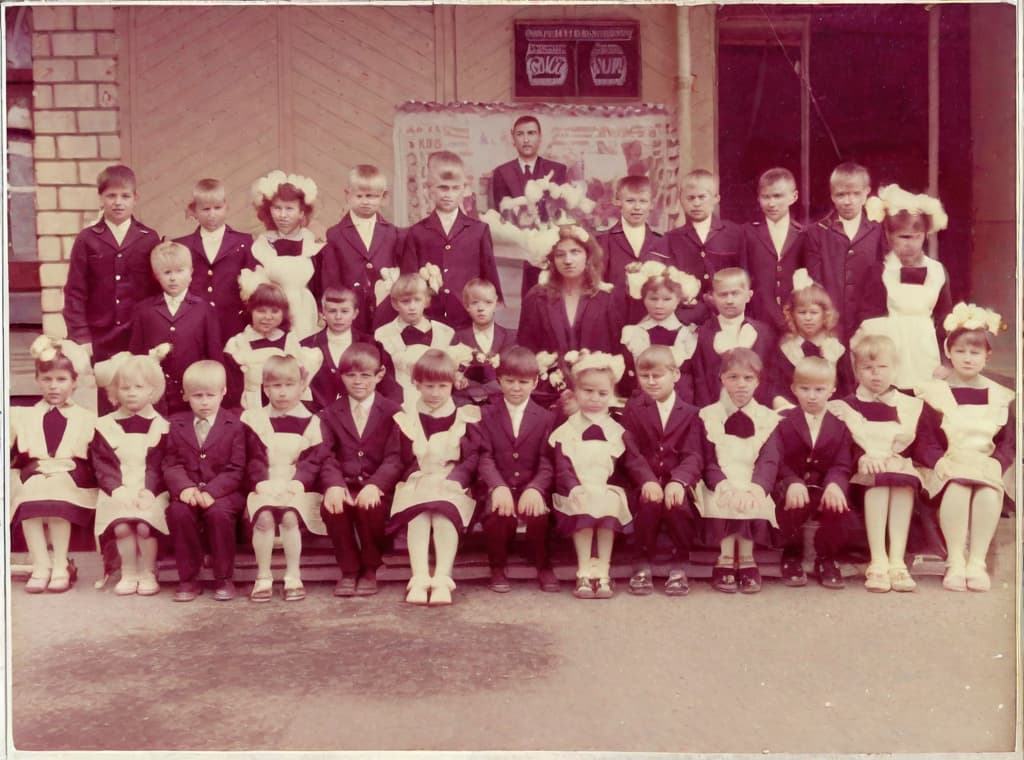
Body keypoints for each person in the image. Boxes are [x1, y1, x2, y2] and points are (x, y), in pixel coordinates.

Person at [827, 334, 943, 593]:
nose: (875, 375)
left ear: (895, 369)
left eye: (882, 368)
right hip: (862, 478)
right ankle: (877, 560)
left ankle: (897, 560)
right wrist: (861, 457)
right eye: (867, 368)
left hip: (900, 472)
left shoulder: (910, 406)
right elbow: (842, 446)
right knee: (879, 482)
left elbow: (924, 445)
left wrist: (942, 463)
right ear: (856, 371)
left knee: (903, 481)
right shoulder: (846, 406)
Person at [915, 304, 1014, 592]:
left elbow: (1007, 441)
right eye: (960, 352)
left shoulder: (1000, 395)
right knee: (958, 487)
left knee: (986, 489)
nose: (967, 359)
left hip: (985, 462)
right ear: (948, 352)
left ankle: (977, 562)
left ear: (987, 356)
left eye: (975, 353)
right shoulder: (935, 392)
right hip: (948, 462)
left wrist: (999, 461)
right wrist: (937, 461)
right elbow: (925, 439)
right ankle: (956, 560)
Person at [62, 164, 161, 412]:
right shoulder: (87, 239)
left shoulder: (148, 237)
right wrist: (81, 336)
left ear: (135, 198)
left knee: (137, 393)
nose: (118, 202)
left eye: (125, 196)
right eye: (111, 196)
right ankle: (109, 448)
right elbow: (75, 291)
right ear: (100, 198)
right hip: (101, 335)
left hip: (137, 333)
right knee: (108, 399)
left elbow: (155, 291)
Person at [548, 352, 646, 599]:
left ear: (611, 394)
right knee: (584, 503)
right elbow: (562, 467)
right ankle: (583, 569)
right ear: (576, 392)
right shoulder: (566, 429)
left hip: (605, 489)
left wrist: (649, 481)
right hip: (577, 490)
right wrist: (573, 487)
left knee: (607, 503)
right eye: (587, 391)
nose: (594, 399)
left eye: (602, 394)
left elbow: (634, 461)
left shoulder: (617, 430)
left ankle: (603, 569)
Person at [388, 349, 482, 606]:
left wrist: (457, 478)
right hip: (418, 479)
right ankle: (419, 576)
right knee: (419, 514)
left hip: (452, 482)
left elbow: (473, 457)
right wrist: (415, 474)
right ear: (416, 384)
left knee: (442, 513)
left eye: (443, 386)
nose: (436, 393)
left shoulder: (464, 415)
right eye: (429, 386)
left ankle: (442, 576)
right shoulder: (406, 417)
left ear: (453, 384)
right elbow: (399, 456)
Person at [10, 337, 97, 593]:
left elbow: (96, 456)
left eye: (61, 380)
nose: (53, 387)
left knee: (56, 490)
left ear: (74, 383)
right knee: (31, 491)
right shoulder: (23, 415)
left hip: (72, 474)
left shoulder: (86, 417)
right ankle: (41, 564)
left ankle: (60, 564)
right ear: (37, 380)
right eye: (46, 379)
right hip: (36, 472)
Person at [472, 346, 560, 593]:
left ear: (535, 382)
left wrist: (536, 488)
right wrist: (497, 486)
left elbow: (547, 462)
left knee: (539, 514)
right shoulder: (486, 414)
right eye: (509, 381)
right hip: (499, 483)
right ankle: (497, 566)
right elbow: (484, 457)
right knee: (498, 513)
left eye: (523, 382)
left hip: (530, 484)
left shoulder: (546, 418)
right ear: (499, 381)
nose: (516, 388)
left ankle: (543, 564)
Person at [319, 343, 404, 597]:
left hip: (377, 484)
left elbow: (395, 458)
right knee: (334, 506)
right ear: (341, 376)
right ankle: (349, 569)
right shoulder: (329, 413)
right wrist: (334, 484)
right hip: (343, 482)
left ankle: (370, 566)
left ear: (379, 375)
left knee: (371, 506)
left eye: (365, 375)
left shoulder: (392, 412)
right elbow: (325, 455)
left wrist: (375, 485)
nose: (358, 382)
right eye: (350, 375)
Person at [242, 355, 327, 602]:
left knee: (290, 517)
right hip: (265, 483)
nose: (282, 393)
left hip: (296, 485)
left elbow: (312, 460)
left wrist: (298, 482)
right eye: (275, 386)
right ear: (266, 388)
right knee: (265, 518)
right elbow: (252, 458)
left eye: (289, 385)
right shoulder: (253, 419)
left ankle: (293, 574)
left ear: (301, 386)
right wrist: (260, 483)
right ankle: (263, 575)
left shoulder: (312, 421)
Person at [697, 348, 781, 594]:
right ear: (721, 378)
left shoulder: (767, 418)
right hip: (719, 479)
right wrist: (723, 484)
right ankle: (724, 557)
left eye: (748, 378)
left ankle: (746, 557)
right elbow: (707, 460)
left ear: (758, 381)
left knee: (749, 495)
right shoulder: (708, 415)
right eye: (733, 377)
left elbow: (769, 460)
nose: (741, 384)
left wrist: (756, 488)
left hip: (752, 478)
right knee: (725, 496)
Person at [853, 184, 953, 389]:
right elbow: (869, 320)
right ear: (889, 236)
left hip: (925, 351)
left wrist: (947, 361)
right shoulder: (880, 271)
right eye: (904, 237)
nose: (911, 244)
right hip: (890, 353)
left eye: (918, 236)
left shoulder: (937, 271)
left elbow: (945, 319)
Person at [620, 346, 703, 596]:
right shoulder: (633, 409)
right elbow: (631, 452)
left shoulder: (690, 413)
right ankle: (641, 562)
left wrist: (679, 481)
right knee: (648, 502)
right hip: (643, 482)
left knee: (677, 504)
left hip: (675, 482)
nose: (651, 382)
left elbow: (694, 454)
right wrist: (646, 480)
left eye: (658, 375)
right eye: (645, 376)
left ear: (675, 374)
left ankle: (680, 563)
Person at [163, 360, 247, 602]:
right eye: (197, 396)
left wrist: (212, 491)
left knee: (218, 513)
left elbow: (236, 468)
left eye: (210, 395)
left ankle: (223, 577)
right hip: (189, 489)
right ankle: (188, 578)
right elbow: (171, 463)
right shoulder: (177, 424)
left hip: (225, 492)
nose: (204, 402)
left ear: (223, 392)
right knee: (179, 511)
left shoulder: (234, 425)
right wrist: (185, 487)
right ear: (186, 395)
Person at [90, 352, 170, 596]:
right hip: (117, 487)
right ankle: (129, 570)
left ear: (152, 390)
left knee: (145, 527)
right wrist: (117, 489)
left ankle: (148, 571)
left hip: (151, 488)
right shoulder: (104, 425)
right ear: (115, 391)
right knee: (122, 526)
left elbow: (159, 464)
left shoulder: (162, 426)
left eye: (139, 387)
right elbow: (102, 464)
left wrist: (149, 491)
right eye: (125, 387)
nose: (132, 392)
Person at [773, 356, 855, 589]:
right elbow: (777, 459)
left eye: (819, 389)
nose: (811, 396)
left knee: (838, 504)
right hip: (791, 486)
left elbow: (841, 464)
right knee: (794, 503)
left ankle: (826, 557)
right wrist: (791, 481)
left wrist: (834, 484)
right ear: (793, 390)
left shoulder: (839, 425)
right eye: (804, 389)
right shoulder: (783, 422)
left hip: (822, 486)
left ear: (832, 390)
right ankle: (791, 553)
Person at [517, 224, 621, 406]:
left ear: (588, 256)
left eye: (575, 252)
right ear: (552, 260)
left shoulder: (606, 299)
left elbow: (615, 351)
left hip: (595, 396)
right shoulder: (537, 298)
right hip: (548, 394)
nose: (568, 260)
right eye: (560, 254)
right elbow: (526, 350)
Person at [402, 150, 503, 330]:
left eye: (455, 188)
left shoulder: (478, 230)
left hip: (467, 318)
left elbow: (489, 276)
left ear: (464, 189)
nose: (448, 194)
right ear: (430, 189)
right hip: (430, 318)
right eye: (442, 187)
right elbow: (409, 282)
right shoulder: (416, 232)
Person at [129, 241, 223, 416]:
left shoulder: (204, 309)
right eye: (167, 272)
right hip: (155, 396)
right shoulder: (144, 310)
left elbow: (214, 355)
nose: (173, 278)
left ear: (191, 273)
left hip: (194, 395)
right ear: (156, 275)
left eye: (179, 271)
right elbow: (137, 356)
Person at [317, 165, 403, 333]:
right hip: (350, 311)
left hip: (385, 310)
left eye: (372, 196)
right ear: (348, 195)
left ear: (383, 198)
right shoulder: (335, 234)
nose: (365, 201)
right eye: (360, 196)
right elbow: (331, 279)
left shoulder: (392, 232)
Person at [490, 115, 568, 298]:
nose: (526, 139)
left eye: (531, 133)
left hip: (552, 249)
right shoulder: (502, 172)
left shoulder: (557, 170)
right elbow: (501, 214)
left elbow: (563, 213)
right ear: (513, 139)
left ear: (540, 137)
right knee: (529, 301)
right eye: (520, 134)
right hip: (518, 252)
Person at [804, 162, 884, 340]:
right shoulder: (817, 232)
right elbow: (815, 279)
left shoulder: (878, 230)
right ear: (832, 195)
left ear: (866, 193)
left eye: (855, 194)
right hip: (831, 322)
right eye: (841, 195)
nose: (848, 201)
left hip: (868, 320)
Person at [657, 169, 747, 326]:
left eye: (702, 197)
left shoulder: (735, 233)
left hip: (728, 316)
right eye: (690, 198)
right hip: (687, 319)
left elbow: (745, 276)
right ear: (681, 200)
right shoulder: (671, 239)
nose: (696, 203)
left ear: (716, 198)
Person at [243, 170, 323, 339]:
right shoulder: (261, 245)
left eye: (289, 209)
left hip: (305, 310)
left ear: (302, 212)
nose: (282, 215)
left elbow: (320, 285)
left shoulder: (312, 243)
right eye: (277, 208)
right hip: (272, 313)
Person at [174, 177, 256, 341]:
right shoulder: (182, 245)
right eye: (205, 209)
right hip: (195, 324)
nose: (212, 214)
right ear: (194, 211)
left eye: (217, 208)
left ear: (226, 207)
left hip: (234, 325)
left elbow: (252, 287)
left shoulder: (244, 242)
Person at [691, 267, 775, 407]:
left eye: (735, 294)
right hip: (716, 411)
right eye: (723, 295)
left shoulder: (764, 333)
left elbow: (770, 377)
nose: (729, 301)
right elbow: (700, 380)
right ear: (713, 297)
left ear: (748, 295)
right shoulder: (703, 334)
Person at [766, 277, 853, 409]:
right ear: (792, 315)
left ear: (825, 314)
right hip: (792, 412)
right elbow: (775, 388)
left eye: (814, 312)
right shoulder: (786, 349)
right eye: (802, 312)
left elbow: (847, 389)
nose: (808, 318)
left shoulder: (835, 348)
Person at [619, 262, 699, 402]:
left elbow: (689, 379)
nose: (659, 305)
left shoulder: (686, 335)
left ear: (677, 301)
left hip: (678, 402)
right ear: (644, 299)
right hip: (642, 402)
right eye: (653, 299)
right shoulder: (634, 333)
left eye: (667, 299)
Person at [374, 271, 457, 405]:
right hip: (399, 404)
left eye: (417, 300)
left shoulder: (445, 332)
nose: (412, 307)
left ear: (426, 301)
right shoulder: (383, 335)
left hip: (439, 403)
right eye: (405, 302)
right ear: (395, 304)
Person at [223, 282, 305, 411]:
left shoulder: (289, 341)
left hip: (284, 409)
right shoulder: (238, 343)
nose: (268, 317)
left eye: (275, 311)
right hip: (248, 409)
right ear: (250, 311)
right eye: (261, 311)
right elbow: (231, 387)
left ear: (283, 313)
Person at [597, 175, 668, 321]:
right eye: (630, 201)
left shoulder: (662, 241)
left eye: (643, 201)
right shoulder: (604, 240)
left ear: (652, 204)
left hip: (653, 319)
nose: (637, 207)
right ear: (618, 201)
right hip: (614, 320)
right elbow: (597, 284)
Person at [745, 167, 806, 333]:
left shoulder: (803, 234)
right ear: (758, 198)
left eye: (778, 196)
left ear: (794, 197)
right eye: (766, 197)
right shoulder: (748, 233)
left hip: (794, 321)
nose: (771, 203)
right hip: (758, 320)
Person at [300, 287, 372, 412]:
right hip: (318, 419)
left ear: (355, 313)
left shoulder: (370, 344)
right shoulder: (307, 345)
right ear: (323, 313)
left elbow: (386, 387)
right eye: (332, 311)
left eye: (344, 311)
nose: (338, 317)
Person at [453, 278, 516, 405]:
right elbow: (452, 371)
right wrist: (458, 378)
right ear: (466, 305)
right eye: (475, 302)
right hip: (465, 402)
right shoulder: (457, 337)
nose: (481, 308)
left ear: (496, 304)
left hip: (500, 402)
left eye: (488, 302)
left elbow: (512, 374)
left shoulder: (510, 337)